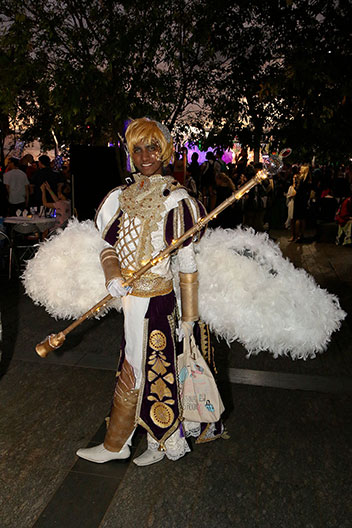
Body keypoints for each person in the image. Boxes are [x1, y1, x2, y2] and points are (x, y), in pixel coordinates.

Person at [76, 118, 224, 467]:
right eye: (137, 149)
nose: (145, 155)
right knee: (131, 366)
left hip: (158, 302)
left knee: (156, 370)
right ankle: (120, 441)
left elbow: (186, 262)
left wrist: (189, 318)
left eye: (152, 147)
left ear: (165, 151)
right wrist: (112, 275)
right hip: (129, 300)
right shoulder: (121, 196)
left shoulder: (178, 200)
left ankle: (159, 441)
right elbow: (107, 246)